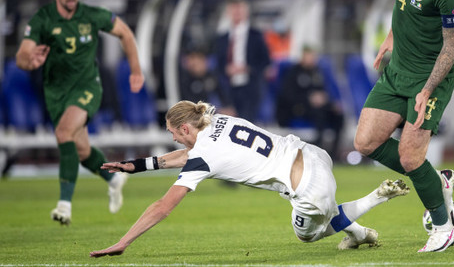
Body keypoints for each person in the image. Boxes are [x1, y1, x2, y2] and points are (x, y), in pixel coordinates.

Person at [89, 100, 410, 258]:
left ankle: (376, 198)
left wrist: (123, 242)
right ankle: (358, 234)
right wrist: (138, 166)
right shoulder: (218, 120)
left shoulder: (203, 154)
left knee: (308, 236)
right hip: (312, 155)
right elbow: (190, 154)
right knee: (325, 215)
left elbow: (163, 206)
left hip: (308, 188)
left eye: (172, 133)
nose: (173, 139)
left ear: (185, 129)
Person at [353, 0, 454, 253]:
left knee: (410, 157)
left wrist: (427, 90)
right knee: (365, 143)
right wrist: (391, 36)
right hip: (396, 72)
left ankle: (444, 227)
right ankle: (437, 183)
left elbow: (452, 47)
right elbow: (404, 4)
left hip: (429, 80)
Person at [15, 0, 144, 226]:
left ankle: (64, 206)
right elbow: (22, 55)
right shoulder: (43, 19)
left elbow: (125, 33)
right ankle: (114, 178)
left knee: (64, 134)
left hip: (87, 88)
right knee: (82, 150)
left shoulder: (92, 15)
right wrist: (31, 61)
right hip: (56, 93)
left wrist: (136, 70)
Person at [275, 46, 344, 161]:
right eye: (309, 56)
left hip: (317, 107)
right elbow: (287, 96)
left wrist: (329, 102)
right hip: (297, 108)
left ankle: (333, 153)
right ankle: (317, 149)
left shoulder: (316, 72)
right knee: (319, 114)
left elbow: (322, 91)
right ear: (303, 57)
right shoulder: (293, 72)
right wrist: (309, 99)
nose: (312, 59)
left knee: (338, 115)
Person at [214, 0, 271, 122]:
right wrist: (226, 70)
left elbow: (265, 61)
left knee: (247, 123)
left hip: (250, 88)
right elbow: (218, 64)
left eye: (240, 10)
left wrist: (247, 68)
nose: (237, 13)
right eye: (234, 10)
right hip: (228, 89)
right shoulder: (222, 39)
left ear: (246, 12)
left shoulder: (256, 36)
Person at [179, 48, 235, 116]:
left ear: (200, 57)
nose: (195, 70)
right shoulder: (197, 85)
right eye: (191, 69)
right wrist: (219, 110)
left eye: (194, 65)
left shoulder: (220, 62)